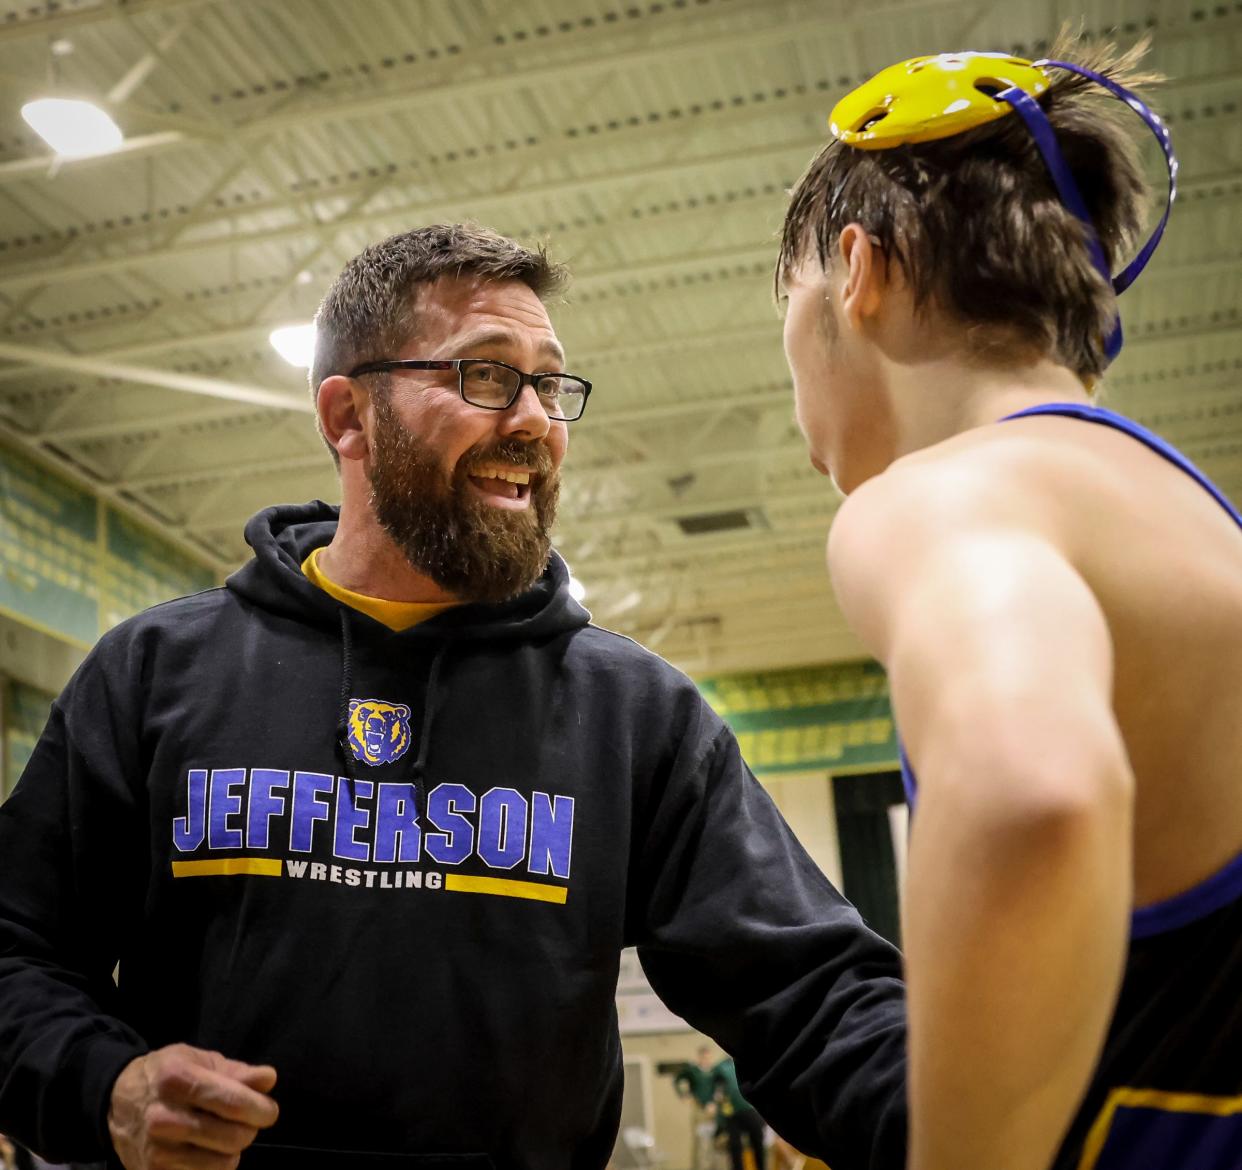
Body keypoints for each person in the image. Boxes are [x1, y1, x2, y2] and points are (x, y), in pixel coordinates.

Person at [0, 224, 907, 1170]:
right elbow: (13, 952)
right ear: (349, 417)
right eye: (484, 375)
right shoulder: (155, 673)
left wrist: (1005, 1123)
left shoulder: (633, 712)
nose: (533, 420)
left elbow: (808, 998)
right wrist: (106, 1086)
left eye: (549, 384)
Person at [777, 29, 1241, 1170]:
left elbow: (1032, 789)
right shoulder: (1196, 520)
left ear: (861, 274)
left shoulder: (940, 500)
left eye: (786, 315)